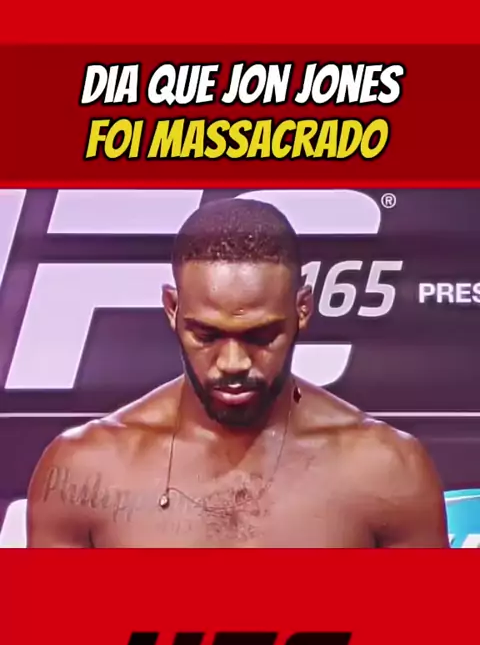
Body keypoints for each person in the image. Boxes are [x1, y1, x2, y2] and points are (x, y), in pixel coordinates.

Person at [26, 198, 450, 548]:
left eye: (260, 336)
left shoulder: (387, 469)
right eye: (206, 335)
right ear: (172, 309)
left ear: (302, 310)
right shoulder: (83, 470)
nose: (232, 362)